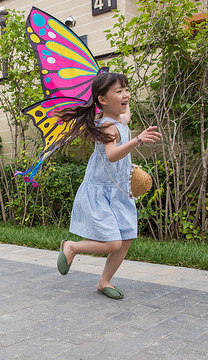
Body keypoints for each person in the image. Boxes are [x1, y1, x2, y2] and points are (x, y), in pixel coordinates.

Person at [56, 72, 161, 299]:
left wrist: (114, 88)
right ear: (102, 100)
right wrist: (138, 140)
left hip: (120, 190)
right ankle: (72, 247)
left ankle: (104, 281)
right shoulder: (107, 127)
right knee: (113, 243)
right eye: (119, 91)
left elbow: (126, 112)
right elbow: (112, 155)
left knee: (126, 239)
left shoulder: (120, 120)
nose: (126, 95)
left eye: (127, 89)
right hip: (100, 192)